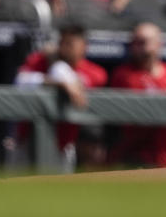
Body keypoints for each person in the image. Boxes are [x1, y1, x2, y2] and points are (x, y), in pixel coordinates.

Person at [14, 23, 108, 169]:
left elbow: (80, 86)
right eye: (62, 42)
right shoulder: (39, 60)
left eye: (70, 44)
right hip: (27, 138)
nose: (64, 48)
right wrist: (59, 82)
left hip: (63, 142)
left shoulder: (94, 71)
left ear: (84, 46)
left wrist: (59, 71)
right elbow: (20, 81)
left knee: (59, 189)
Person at [109, 22, 166, 168]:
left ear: (159, 44)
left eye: (144, 42)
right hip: (134, 157)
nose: (139, 47)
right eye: (136, 42)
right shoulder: (123, 75)